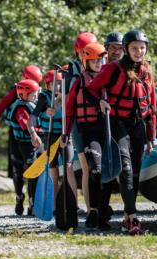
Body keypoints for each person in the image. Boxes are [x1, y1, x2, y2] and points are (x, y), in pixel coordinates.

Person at [86, 30, 157, 235]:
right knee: (125, 168)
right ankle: (132, 217)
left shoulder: (146, 72)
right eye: (134, 48)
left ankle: (127, 216)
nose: (138, 51)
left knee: (134, 172)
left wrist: (151, 136)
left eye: (142, 48)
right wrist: (99, 101)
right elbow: (90, 89)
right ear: (126, 49)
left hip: (138, 126)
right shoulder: (113, 69)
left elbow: (151, 106)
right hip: (117, 122)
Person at [64, 42, 108, 228]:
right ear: (86, 62)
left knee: (107, 173)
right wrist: (66, 133)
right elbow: (70, 109)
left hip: (106, 129)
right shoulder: (79, 81)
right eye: (94, 61)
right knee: (95, 170)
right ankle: (93, 211)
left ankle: (103, 213)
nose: (99, 64)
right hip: (88, 130)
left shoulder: (108, 79)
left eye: (101, 60)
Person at [0, 65, 42, 215]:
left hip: (34, 135)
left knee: (32, 166)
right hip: (17, 134)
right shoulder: (15, 92)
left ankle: (33, 202)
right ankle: (19, 196)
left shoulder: (38, 92)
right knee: (18, 169)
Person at [28, 70, 79, 209]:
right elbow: (32, 118)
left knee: (69, 168)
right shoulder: (44, 97)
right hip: (50, 136)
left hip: (65, 135)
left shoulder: (67, 96)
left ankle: (74, 205)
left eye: (59, 84)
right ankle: (55, 207)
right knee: (53, 172)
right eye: (53, 84)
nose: (57, 87)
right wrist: (33, 134)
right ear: (48, 85)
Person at [65, 32, 98, 216]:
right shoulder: (72, 72)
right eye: (84, 51)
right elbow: (69, 101)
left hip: (98, 122)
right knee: (87, 168)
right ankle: (90, 208)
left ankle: (100, 206)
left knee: (99, 166)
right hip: (79, 123)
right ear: (78, 53)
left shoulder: (102, 65)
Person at [6, 79, 41, 215]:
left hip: (31, 143)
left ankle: (32, 202)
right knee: (28, 172)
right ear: (24, 95)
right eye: (33, 95)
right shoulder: (21, 107)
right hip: (25, 144)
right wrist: (36, 133)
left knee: (32, 172)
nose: (36, 97)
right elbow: (25, 124)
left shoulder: (30, 104)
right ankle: (26, 200)